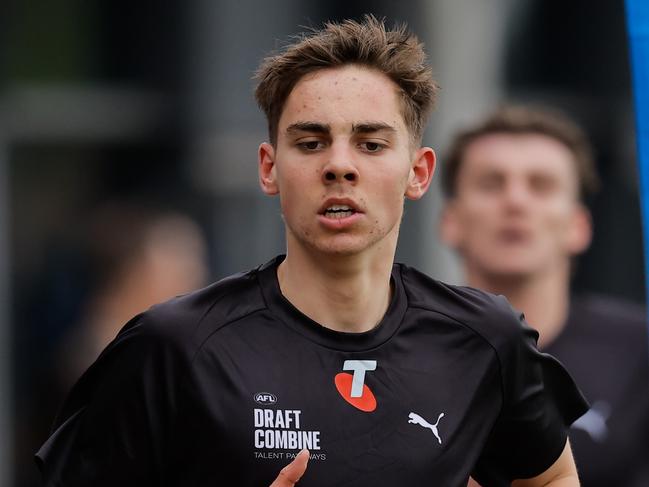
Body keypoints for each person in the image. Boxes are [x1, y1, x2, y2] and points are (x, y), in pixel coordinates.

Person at [36, 17, 588, 486]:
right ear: (269, 168)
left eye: (371, 144)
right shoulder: (175, 346)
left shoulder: (485, 338)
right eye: (310, 142)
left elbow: (553, 476)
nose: (339, 165)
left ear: (418, 173)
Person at [440, 105, 649, 487]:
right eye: (491, 183)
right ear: (450, 222)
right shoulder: (400, 349)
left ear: (579, 225)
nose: (515, 202)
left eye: (541, 185)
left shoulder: (640, 350)